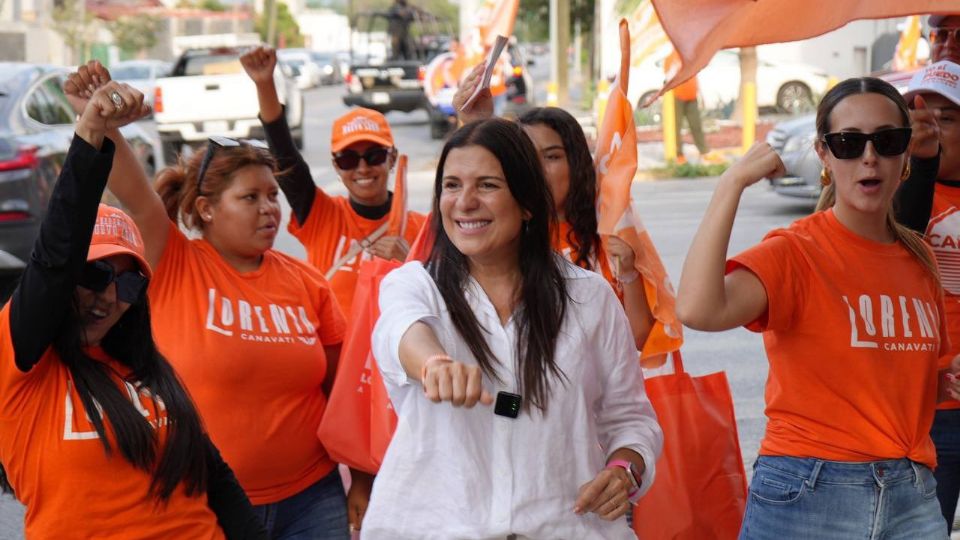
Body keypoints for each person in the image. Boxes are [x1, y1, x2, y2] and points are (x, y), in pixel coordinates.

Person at [64, 62, 351, 540]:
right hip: (203, 499)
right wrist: (97, 120)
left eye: (273, 196)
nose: (270, 209)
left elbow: (341, 396)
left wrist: (358, 478)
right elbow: (135, 193)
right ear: (206, 209)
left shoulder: (307, 282)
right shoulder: (175, 260)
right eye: (251, 198)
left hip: (312, 498)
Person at [677, 77, 954, 538]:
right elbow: (698, 309)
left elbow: (913, 383)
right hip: (809, 492)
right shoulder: (796, 250)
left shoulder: (919, 258)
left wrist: (948, 380)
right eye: (848, 143)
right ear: (823, 155)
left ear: (906, 154)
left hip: (911, 495)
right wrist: (731, 184)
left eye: (887, 141)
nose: (869, 157)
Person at [362, 118, 663, 538]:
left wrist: (624, 469)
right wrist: (434, 365)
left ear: (526, 204)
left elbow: (631, 417)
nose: (464, 202)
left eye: (487, 185)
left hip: (566, 528)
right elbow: (404, 331)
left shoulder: (588, 297)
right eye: (451, 185)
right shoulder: (414, 284)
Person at [0, 72, 266, 538]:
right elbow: (55, 257)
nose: (109, 297)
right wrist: (91, 133)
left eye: (127, 285)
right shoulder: (22, 360)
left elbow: (215, 478)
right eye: (96, 274)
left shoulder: (146, 369)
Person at [454, 68, 655, 351]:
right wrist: (475, 123)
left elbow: (637, 337)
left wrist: (630, 273)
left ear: (577, 163)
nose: (538, 168)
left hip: (588, 393)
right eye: (527, 157)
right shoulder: (503, 234)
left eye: (552, 156)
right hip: (513, 392)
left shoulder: (612, 234)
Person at [241, 46, 427, 319]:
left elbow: (448, 298)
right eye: (348, 159)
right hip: (335, 360)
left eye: (374, 156)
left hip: (395, 359)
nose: (362, 168)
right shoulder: (321, 215)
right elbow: (284, 153)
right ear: (336, 167)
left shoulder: (422, 229)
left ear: (392, 158)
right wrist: (264, 83)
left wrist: (411, 261)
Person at [896, 59, 960, 532]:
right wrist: (920, 166)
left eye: (947, 117)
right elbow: (900, 245)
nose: (930, 126)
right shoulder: (887, 195)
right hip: (927, 409)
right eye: (917, 114)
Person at [664, 50, 709, 164]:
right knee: (676, 127)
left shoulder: (689, 55)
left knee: (696, 125)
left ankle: (704, 152)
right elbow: (667, 78)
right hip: (677, 96)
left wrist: (701, 94)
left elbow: (695, 76)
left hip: (692, 96)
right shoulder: (671, 58)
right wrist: (674, 68)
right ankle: (678, 155)